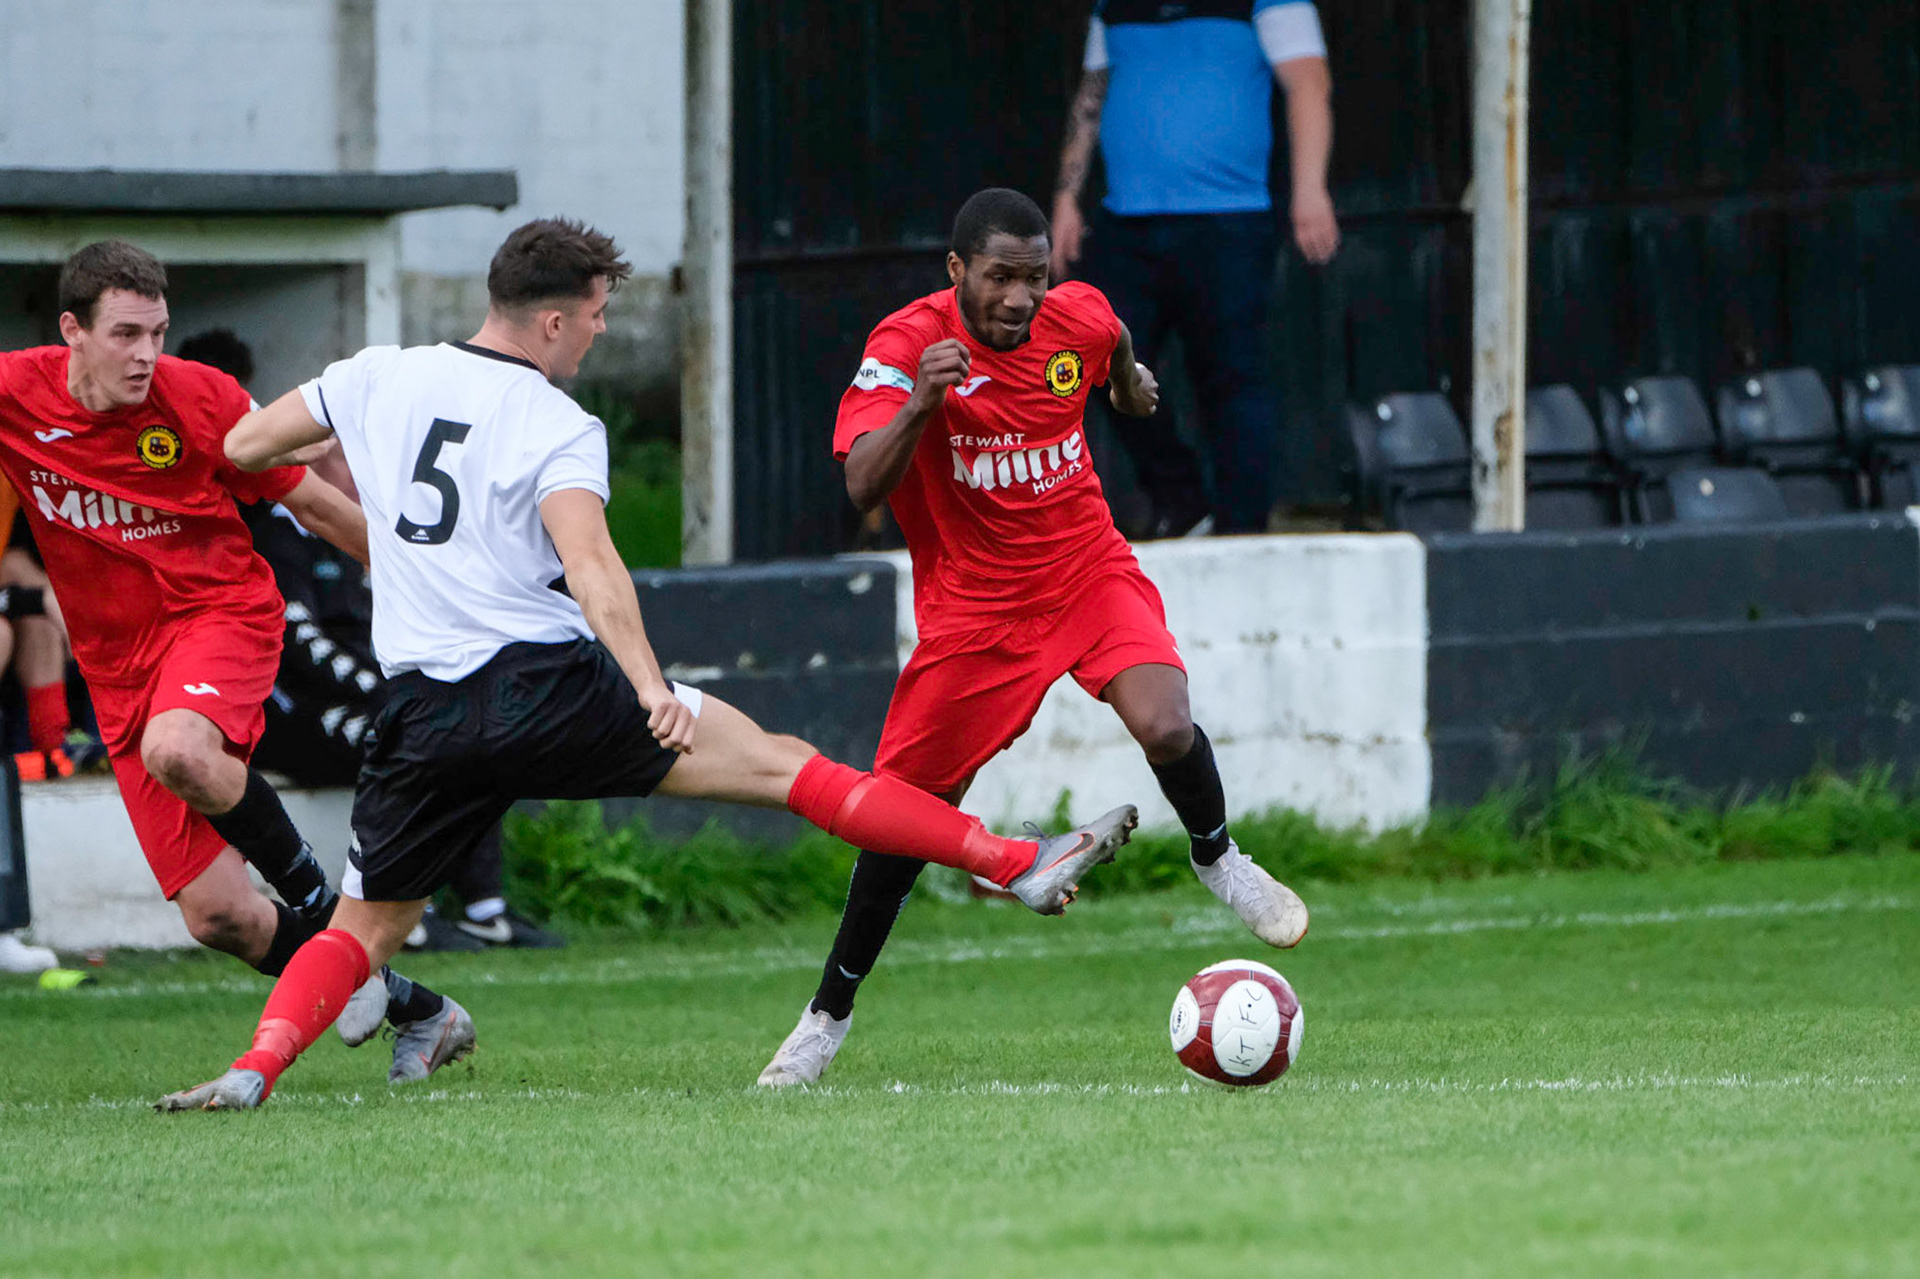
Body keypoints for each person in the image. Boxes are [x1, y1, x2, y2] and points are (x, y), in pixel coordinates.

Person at [158, 217, 1137, 1111]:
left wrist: (365, 526)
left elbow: (246, 444)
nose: (597, 334)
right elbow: (592, 569)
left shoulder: (376, 375)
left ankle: (253, 1071)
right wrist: (646, 684)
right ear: (548, 320)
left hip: (423, 714)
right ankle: (1014, 861)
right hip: (548, 687)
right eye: (594, 317)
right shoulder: (552, 423)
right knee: (788, 767)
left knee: (361, 932)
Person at [753, 188, 1310, 1089]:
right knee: (900, 822)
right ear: (956, 272)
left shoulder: (1075, 317)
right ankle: (825, 1019)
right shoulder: (904, 349)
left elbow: (1111, 336)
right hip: (977, 614)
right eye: (1000, 278)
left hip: (1087, 569)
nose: (1019, 298)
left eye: (1034, 278)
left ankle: (1220, 858)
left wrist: (1128, 384)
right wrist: (922, 408)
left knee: (1167, 722)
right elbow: (861, 483)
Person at [0, 240, 458, 1080]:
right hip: (117, 669)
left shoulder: (201, 399)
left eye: (158, 332)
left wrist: (427, 590)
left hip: (219, 616)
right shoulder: (13, 394)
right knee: (222, 919)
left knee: (179, 747)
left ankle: (325, 912)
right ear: (72, 330)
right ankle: (416, 1008)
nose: (146, 355)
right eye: (126, 334)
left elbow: (317, 506)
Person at [176, 330, 556, 951]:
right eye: (340, 455)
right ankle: (400, 918)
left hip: (367, 693)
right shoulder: (282, 529)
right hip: (286, 708)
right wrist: (389, 691)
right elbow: (298, 644)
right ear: (306, 460)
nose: (354, 469)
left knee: (470, 726)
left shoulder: (380, 522)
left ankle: (487, 908)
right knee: (402, 739)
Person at [1051, 0, 1339, 537]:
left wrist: (1309, 190)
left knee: (1232, 380)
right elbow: (1093, 93)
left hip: (1230, 218)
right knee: (1094, 358)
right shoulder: (1110, 6)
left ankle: (1243, 532)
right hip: (1126, 218)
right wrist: (1067, 197)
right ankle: (1183, 502)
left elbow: (1309, 83)